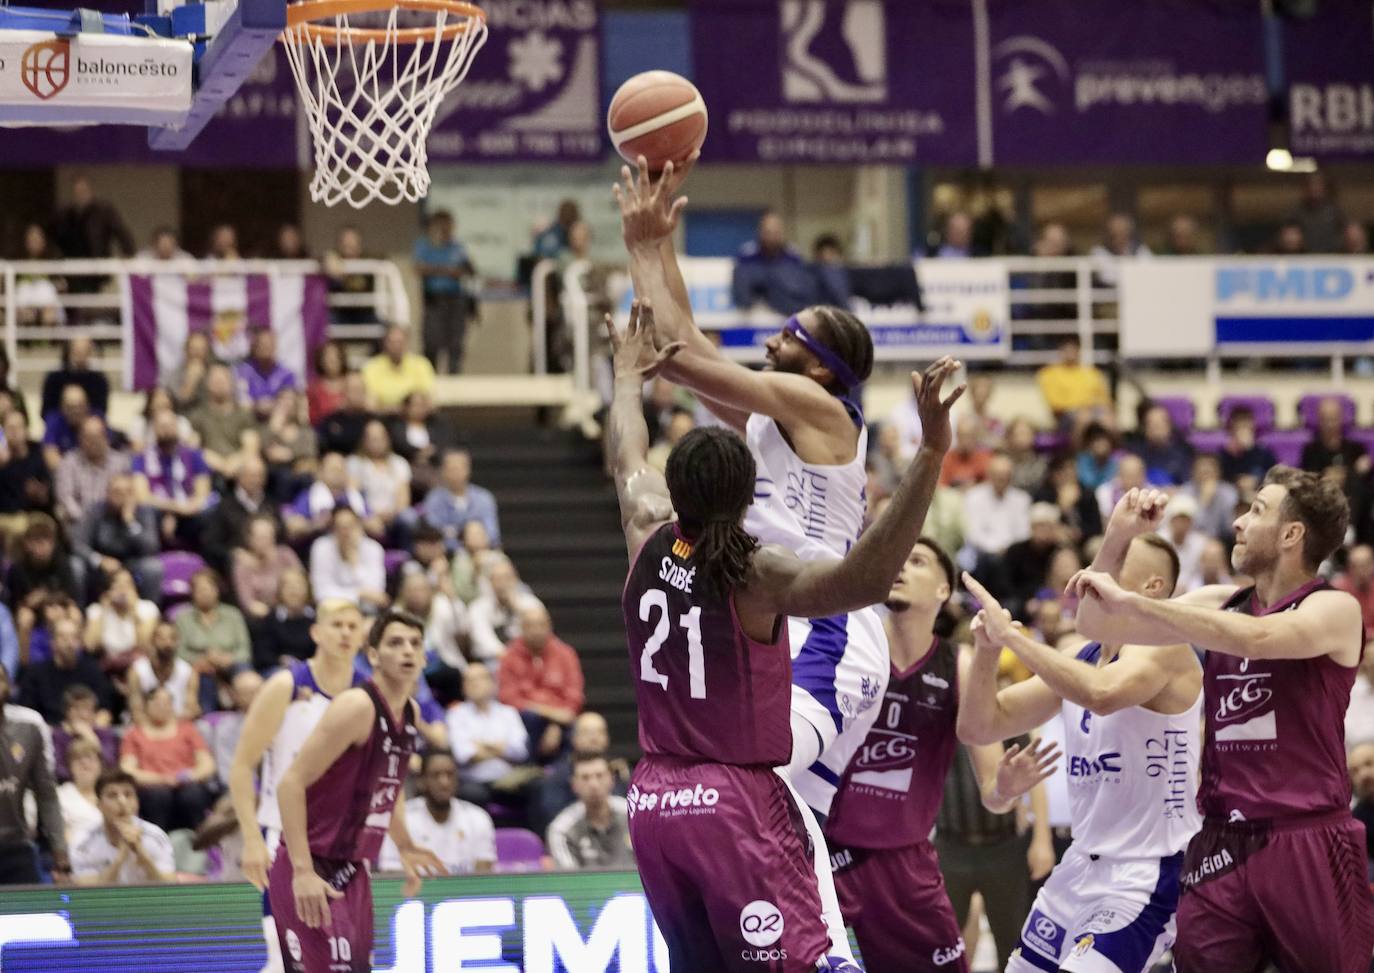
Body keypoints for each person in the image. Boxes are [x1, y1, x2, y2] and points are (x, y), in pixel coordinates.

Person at [605, 293, 963, 969]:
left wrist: (626, 377)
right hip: (733, 789)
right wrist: (929, 454)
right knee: (792, 830)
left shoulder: (645, 530)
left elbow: (627, 454)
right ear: (747, 502)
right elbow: (860, 581)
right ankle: (831, 957)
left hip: (652, 798)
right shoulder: (754, 574)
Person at [1071, 466, 1374, 972]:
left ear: (1291, 534)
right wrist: (1118, 537)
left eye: (1256, 511)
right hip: (1220, 842)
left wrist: (1145, 607)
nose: (1238, 523)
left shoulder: (1335, 609)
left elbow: (1257, 639)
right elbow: (1096, 623)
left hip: (1307, 839)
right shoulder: (1221, 604)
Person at [961, 491, 1203, 973]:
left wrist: (1016, 638)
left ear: (1152, 587)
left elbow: (1101, 694)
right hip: (1077, 868)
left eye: (1114, 563)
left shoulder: (1166, 648)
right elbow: (978, 725)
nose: (1092, 576)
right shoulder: (1081, 658)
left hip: (1145, 873)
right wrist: (988, 650)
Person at [823, 539, 1059, 972]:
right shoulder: (848, 647)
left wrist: (1006, 788)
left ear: (942, 590)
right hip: (831, 858)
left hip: (908, 864)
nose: (900, 568)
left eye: (917, 562)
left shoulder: (958, 666)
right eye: (897, 558)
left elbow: (992, 793)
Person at [267, 609, 443, 972]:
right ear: (374, 655)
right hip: (310, 863)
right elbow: (289, 784)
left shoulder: (410, 712)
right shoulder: (357, 706)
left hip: (352, 867)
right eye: (396, 643)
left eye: (415, 644)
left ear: (425, 656)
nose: (407, 651)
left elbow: (387, 788)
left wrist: (406, 844)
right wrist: (302, 871)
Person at [229, 598, 366, 973]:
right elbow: (242, 767)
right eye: (337, 625)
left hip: (343, 847)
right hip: (285, 839)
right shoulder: (285, 687)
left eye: (353, 626)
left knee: (348, 960)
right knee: (286, 958)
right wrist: (252, 839)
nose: (345, 633)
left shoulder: (368, 695)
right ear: (316, 632)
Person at [0, 667, 68, 883]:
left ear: (9, 687)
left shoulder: (29, 728)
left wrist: (60, 849)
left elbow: (46, 793)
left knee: (34, 912)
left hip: (15, 845)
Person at [118, 685, 217, 833]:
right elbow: (128, 769)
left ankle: (202, 842)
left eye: (167, 703)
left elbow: (207, 763)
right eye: (157, 703)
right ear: (146, 706)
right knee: (159, 796)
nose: (162, 707)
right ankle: (157, 844)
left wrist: (189, 776)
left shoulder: (188, 729)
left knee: (192, 795)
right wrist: (162, 779)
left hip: (187, 784)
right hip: (152, 789)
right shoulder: (133, 734)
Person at [379, 751, 494, 874]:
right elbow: (391, 874)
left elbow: (483, 876)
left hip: (464, 892)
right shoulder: (400, 821)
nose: (444, 782)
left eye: (450, 775)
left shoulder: (478, 818)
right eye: (435, 775)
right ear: (421, 781)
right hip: (417, 893)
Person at [497, 601, 584, 759]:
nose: (536, 631)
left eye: (541, 625)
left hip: (562, 724)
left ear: (549, 626)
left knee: (580, 728)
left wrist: (556, 724)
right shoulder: (509, 656)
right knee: (529, 719)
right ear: (522, 628)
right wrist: (548, 713)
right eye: (531, 626)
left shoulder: (565, 654)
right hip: (526, 722)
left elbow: (574, 695)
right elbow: (507, 698)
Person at [445, 662, 529, 807]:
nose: (474, 684)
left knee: (537, 786)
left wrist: (481, 745)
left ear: (492, 683)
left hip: (509, 780)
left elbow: (520, 752)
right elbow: (463, 755)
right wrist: (501, 749)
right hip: (473, 781)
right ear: (463, 687)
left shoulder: (509, 713)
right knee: (472, 794)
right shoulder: (456, 714)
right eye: (469, 680)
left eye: (479, 678)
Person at [71, 769, 174, 885]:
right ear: (99, 805)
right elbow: (88, 895)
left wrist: (142, 855)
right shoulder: (84, 842)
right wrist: (120, 857)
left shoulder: (155, 836)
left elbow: (169, 888)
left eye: (128, 794)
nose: (122, 801)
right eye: (112, 795)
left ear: (137, 803)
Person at [73, 473, 163, 603]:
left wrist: (130, 522)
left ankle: (149, 614)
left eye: (127, 492)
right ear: (107, 493)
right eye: (116, 491)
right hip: (100, 566)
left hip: (132, 564)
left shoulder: (143, 512)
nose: (121, 496)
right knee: (75, 565)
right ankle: (79, 612)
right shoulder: (95, 511)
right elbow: (78, 544)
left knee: (153, 567)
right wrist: (99, 560)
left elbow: (151, 547)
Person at [132, 408, 214, 543]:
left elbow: (203, 492)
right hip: (159, 511)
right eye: (162, 426)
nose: (166, 430)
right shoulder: (142, 457)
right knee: (146, 511)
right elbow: (142, 496)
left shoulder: (194, 455)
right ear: (154, 430)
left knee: (210, 510)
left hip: (190, 511)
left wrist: (187, 508)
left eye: (170, 425)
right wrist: (174, 508)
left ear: (177, 427)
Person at [176, 568, 252, 712]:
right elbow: (180, 652)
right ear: (192, 593)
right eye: (199, 589)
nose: (204, 593)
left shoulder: (233, 615)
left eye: (208, 588)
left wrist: (228, 659)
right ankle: (206, 716)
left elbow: (244, 649)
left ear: (217, 590)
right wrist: (202, 660)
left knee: (244, 672)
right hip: (200, 668)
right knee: (204, 676)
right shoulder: (183, 619)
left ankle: (247, 713)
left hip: (230, 664)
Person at [547, 752, 634, 869]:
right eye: (585, 778)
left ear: (612, 779)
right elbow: (568, 882)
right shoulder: (561, 830)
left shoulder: (634, 816)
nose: (593, 784)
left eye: (599, 775)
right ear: (574, 785)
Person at [414, 210, 476, 375]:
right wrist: (446, 270)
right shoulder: (424, 245)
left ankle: (454, 380)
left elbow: (467, 269)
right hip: (434, 300)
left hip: (455, 300)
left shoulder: (457, 247)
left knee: (455, 345)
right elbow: (419, 268)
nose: (445, 229)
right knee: (431, 343)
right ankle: (429, 378)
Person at [19, 617, 114, 724]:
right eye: (63, 637)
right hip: (48, 731)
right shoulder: (35, 673)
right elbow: (28, 714)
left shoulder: (93, 671)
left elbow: (104, 711)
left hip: (86, 731)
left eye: (74, 638)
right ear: (52, 642)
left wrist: (94, 729)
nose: (69, 643)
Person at [731, 210, 817, 316]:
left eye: (775, 233)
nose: (771, 237)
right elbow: (742, 285)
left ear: (782, 233)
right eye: (768, 232)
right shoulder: (746, 253)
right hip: (754, 301)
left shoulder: (793, 254)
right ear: (760, 232)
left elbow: (798, 286)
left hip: (782, 299)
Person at [56, 415, 130, 532]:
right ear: (80, 439)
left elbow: (127, 496)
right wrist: (89, 522)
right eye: (88, 438)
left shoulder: (121, 462)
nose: (93, 442)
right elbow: (66, 499)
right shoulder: (68, 462)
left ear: (106, 438)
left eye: (97, 437)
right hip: (79, 524)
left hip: (114, 524)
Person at [309, 505, 388, 612]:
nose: (346, 532)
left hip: (366, 612)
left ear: (359, 526)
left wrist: (354, 564)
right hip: (332, 611)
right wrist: (359, 594)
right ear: (332, 530)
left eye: (350, 526)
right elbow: (321, 593)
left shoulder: (373, 548)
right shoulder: (321, 547)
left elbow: (376, 593)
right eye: (340, 527)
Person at [189, 363, 260, 480]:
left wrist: (233, 463)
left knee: (254, 465)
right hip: (210, 466)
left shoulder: (243, 414)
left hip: (238, 467)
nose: (219, 383)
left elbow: (251, 447)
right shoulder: (198, 415)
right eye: (215, 380)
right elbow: (193, 447)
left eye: (223, 379)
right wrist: (220, 464)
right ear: (207, 383)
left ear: (232, 383)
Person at [419, 449, 501, 550]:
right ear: (443, 471)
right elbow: (433, 531)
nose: (455, 474)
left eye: (458, 468)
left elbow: (492, 533)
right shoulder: (434, 498)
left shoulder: (484, 498)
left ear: (467, 470)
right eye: (450, 469)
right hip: (446, 553)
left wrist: (472, 535)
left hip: (480, 551)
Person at [82, 567, 158, 675]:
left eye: (127, 585)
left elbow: (144, 646)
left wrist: (133, 611)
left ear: (134, 588)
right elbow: (90, 646)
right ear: (109, 589)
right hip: (108, 669)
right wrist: (103, 612)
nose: (123, 590)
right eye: (117, 585)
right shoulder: (97, 610)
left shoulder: (147, 608)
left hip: (137, 666)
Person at [232, 514, 303, 621]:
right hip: (264, 618)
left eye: (269, 536)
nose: (266, 541)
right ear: (249, 539)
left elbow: (302, 584)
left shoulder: (285, 554)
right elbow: (248, 603)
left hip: (292, 611)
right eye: (260, 537)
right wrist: (274, 615)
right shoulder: (243, 565)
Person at [129, 621, 201, 724]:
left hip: (178, 725)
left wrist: (167, 727)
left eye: (172, 639)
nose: (167, 643)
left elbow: (192, 709)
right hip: (145, 727)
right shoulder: (137, 672)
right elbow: (136, 711)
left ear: (178, 642)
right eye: (161, 639)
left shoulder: (188, 672)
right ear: (152, 641)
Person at [361, 324, 436, 413]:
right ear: (384, 343)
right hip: (384, 419)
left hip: (415, 419)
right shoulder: (371, 367)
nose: (396, 346)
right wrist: (403, 409)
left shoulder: (421, 364)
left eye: (400, 342)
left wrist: (388, 406)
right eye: (392, 342)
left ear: (407, 343)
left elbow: (429, 402)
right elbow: (370, 405)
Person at [1036, 337, 1110, 426]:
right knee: (1084, 417)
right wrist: (1082, 406)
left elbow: (1104, 399)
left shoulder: (1091, 373)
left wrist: (1097, 408)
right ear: (1061, 351)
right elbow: (1055, 404)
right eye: (1067, 349)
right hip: (1065, 416)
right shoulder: (1049, 374)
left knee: (1108, 418)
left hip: (1093, 410)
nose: (1071, 353)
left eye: (1073, 349)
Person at [52, 684, 118, 781]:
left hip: (100, 783)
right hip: (68, 785)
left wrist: (91, 737)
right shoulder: (57, 736)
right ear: (67, 712)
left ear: (94, 712)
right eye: (76, 709)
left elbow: (110, 763)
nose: (82, 715)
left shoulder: (104, 733)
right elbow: (57, 769)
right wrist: (82, 775)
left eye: (87, 709)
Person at [41, 335, 110, 420]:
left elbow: (101, 410)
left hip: (88, 421)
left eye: (84, 351)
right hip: (61, 421)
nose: (81, 355)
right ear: (69, 351)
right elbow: (46, 410)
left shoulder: (99, 380)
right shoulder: (54, 378)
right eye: (77, 351)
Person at [236, 329, 298, 418]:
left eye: (269, 345)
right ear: (255, 347)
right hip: (251, 418)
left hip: (278, 418)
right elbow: (241, 401)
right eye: (262, 345)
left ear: (275, 347)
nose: (266, 348)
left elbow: (289, 403)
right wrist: (257, 406)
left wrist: (273, 406)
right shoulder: (243, 372)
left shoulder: (286, 374)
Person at [57, 736, 105, 846]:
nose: (84, 763)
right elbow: (63, 838)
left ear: (100, 764)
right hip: (78, 855)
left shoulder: (112, 794)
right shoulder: (60, 795)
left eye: (90, 758)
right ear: (70, 766)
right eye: (78, 759)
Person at [1218, 405, 1276, 491]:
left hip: (1258, 491)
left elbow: (1274, 475)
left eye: (1246, 426)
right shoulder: (1224, 454)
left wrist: (1250, 450)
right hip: (1233, 493)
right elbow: (1221, 479)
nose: (1243, 431)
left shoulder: (1263, 452)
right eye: (1239, 427)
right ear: (1231, 429)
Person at [1335, 544, 1374, 635]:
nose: (1362, 571)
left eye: (1366, 565)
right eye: (1358, 566)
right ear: (1350, 567)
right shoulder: (1339, 590)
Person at [307, 342, 349, 427]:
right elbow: (311, 417)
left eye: (335, 356)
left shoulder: (351, 383)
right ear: (321, 360)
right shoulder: (313, 389)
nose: (331, 359)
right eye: (327, 356)